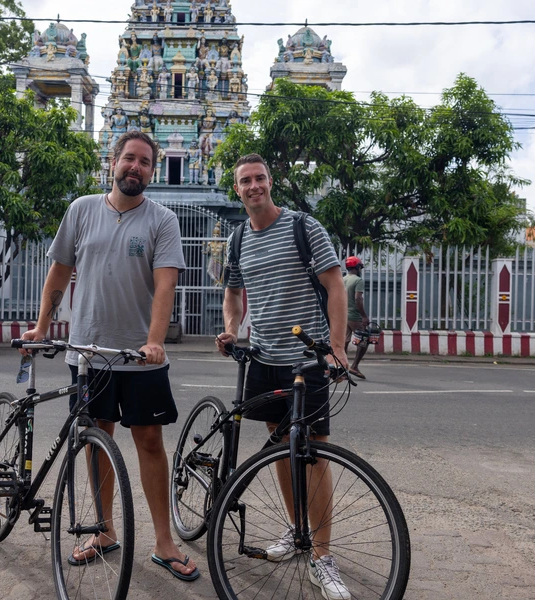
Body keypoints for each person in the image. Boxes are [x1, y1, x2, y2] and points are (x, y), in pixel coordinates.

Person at [20, 131, 199, 582]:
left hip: (140, 357)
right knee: (96, 439)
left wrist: (154, 340)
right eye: (128, 159)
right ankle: (103, 529)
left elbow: (165, 285)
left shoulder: (162, 220)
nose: (134, 167)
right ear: (113, 162)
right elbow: (59, 269)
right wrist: (43, 325)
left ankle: (163, 540)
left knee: (150, 443)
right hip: (87, 352)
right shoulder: (81, 209)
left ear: (152, 171)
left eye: (144, 162)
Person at [215, 153, 352, 600]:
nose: (253, 186)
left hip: (307, 360)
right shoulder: (237, 239)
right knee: (278, 448)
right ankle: (296, 534)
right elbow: (233, 292)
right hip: (265, 358)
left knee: (313, 455)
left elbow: (335, 285)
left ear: (270, 182)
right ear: (236, 189)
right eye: (244, 181)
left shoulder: (303, 227)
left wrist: (336, 347)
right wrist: (233, 329)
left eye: (259, 178)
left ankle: (323, 554)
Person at [344, 255, 370, 380]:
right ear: (357, 267)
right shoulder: (358, 280)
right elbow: (358, 299)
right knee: (364, 339)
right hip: (354, 315)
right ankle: (354, 366)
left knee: (344, 341)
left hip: (343, 315)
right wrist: (364, 316)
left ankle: (341, 367)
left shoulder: (343, 279)